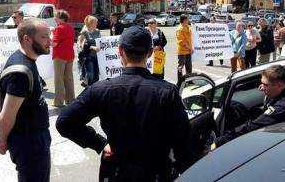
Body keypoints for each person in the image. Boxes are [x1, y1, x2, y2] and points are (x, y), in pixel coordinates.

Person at [56, 26, 192, 181]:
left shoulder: (100, 89)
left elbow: (65, 121)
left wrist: (99, 143)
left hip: (116, 172)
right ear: (150, 53)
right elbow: (183, 140)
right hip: (155, 171)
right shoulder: (168, 92)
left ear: (120, 51)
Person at [0, 18, 51, 181]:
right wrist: (3, 141)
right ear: (27, 39)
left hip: (34, 139)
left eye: (49, 36)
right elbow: (6, 117)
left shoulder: (26, 59)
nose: (50, 41)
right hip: (29, 144)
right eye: (44, 37)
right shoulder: (21, 72)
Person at [213, 65, 285, 148]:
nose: (261, 88)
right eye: (261, 83)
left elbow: (252, 127)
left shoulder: (283, 106)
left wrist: (219, 141)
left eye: (265, 85)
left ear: (280, 85)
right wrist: (267, 89)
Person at [52, 10, 75, 107]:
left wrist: (46, 39)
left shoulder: (59, 28)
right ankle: (71, 100)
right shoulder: (70, 27)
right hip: (69, 54)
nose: (54, 18)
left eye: (56, 17)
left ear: (61, 18)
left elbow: (54, 44)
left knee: (59, 79)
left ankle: (59, 101)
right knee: (69, 79)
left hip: (59, 56)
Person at [78, 15, 101, 86]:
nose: (97, 24)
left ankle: (93, 86)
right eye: (95, 22)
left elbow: (100, 41)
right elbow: (81, 44)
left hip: (96, 55)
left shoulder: (97, 31)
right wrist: (83, 46)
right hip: (88, 55)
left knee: (96, 73)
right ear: (91, 23)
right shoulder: (84, 32)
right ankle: (89, 86)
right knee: (90, 73)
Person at [176, 14, 193, 83]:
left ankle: (189, 80)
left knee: (189, 66)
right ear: (183, 20)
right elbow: (181, 42)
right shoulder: (180, 29)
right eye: (187, 20)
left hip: (188, 51)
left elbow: (191, 28)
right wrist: (189, 48)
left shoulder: (187, 27)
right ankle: (180, 81)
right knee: (181, 66)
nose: (188, 21)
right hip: (182, 51)